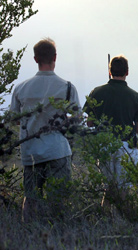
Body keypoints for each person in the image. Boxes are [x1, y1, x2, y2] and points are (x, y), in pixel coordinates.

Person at [10, 38, 81, 222]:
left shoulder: (20, 88)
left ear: (35, 59)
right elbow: (77, 119)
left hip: (30, 152)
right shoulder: (67, 87)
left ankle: (28, 235)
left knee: (31, 199)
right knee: (59, 201)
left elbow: (15, 120)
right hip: (57, 150)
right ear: (55, 57)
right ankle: (58, 235)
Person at [84, 55, 138, 205]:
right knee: (123, 189)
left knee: (107, 189)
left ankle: (106, 220)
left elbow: (90, 123)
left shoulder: (96, 92)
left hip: (104, 145)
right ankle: (122, 222)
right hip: (126, 146)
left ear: (110, 71)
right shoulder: (135, 96)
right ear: (127, 72)